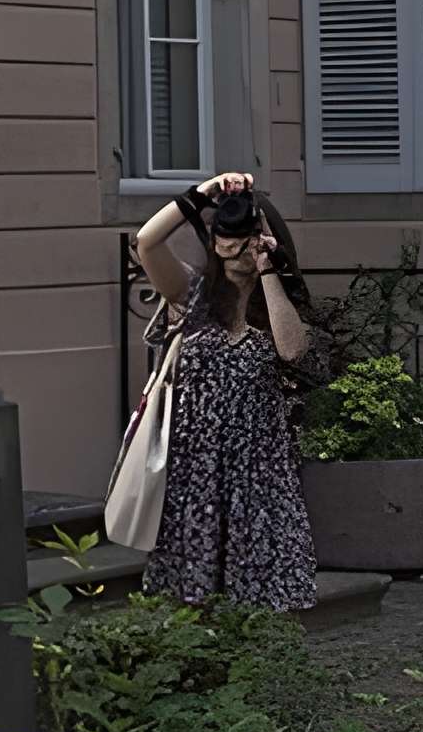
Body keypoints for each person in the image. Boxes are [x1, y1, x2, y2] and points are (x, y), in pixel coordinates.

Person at [133, 168, 332, 611]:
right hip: (197, 468)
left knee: (261, 597)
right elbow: (147, 242)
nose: (231, 259)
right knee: (194, 595)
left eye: (240, 247)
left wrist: (267, 270)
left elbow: (293, 351)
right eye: (223, 250)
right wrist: (205, 193)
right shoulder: (195, 296)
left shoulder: (278, 302)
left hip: (257, 472)